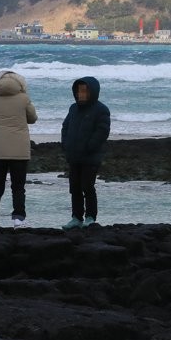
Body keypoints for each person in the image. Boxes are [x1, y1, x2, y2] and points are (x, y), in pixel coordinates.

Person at [0, 70, 38, 228]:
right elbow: (33, 118)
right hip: (19, 149)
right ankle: (18, 218)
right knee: (18, 186)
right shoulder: (24, 98)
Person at [60, 76, 110, 230]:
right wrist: (66, 144)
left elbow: (102, 131)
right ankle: (76, 217)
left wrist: (90, 146)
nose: (81, 94)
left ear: (92, 92)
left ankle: (90, 217)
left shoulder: (101, 109)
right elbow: (65, 127)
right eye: (79, 90)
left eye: (84, 91)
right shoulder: (73, 108)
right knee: (74, 188)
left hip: (90, 157)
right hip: (74, 156)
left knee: (87, 187)